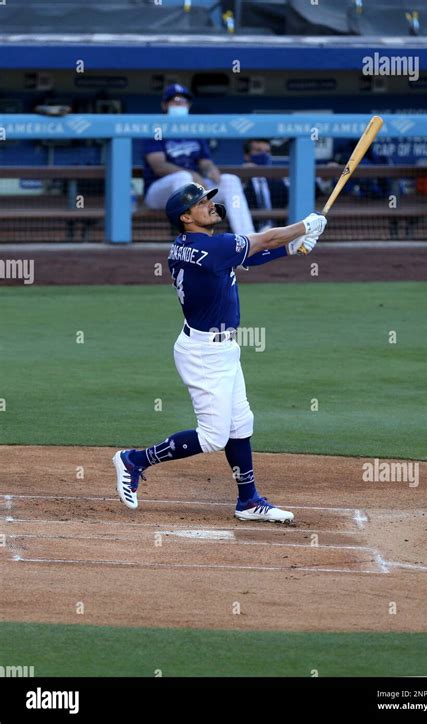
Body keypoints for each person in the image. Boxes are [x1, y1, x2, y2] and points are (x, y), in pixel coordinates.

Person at [113, 182, 327, 523]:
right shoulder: (216, 247)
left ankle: (248, 501)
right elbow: (264, 240)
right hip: (203, 353)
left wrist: (291, 249)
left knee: (241, 423)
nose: (211, 204)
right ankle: (135, 460)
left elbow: (245, 259)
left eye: (209, 199)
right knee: (213, 436)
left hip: (220, 349)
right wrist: (305, 226)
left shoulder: (189, 246)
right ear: (186, 217)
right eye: (202, 203)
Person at [143, 83, 255, 235]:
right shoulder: (157, 130)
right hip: (159, 193)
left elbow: (204, 162)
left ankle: (247, 237)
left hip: (193, 189)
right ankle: (192, 236)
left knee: (230, 180)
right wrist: (193, 175)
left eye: (184, 101)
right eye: (175, 100)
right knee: (184, 177)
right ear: (165, 105)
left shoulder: (193, 131)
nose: (180, 104)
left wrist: (211, 171)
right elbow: (158, 165)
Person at [242, 139, 289, 230]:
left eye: (267, 152)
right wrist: (243, 179)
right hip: (246, 235)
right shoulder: (240, 180)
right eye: (258, 151)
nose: (263, 155)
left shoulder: (277, 181)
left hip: (276, 235)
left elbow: (304, 193)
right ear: (247, 156)